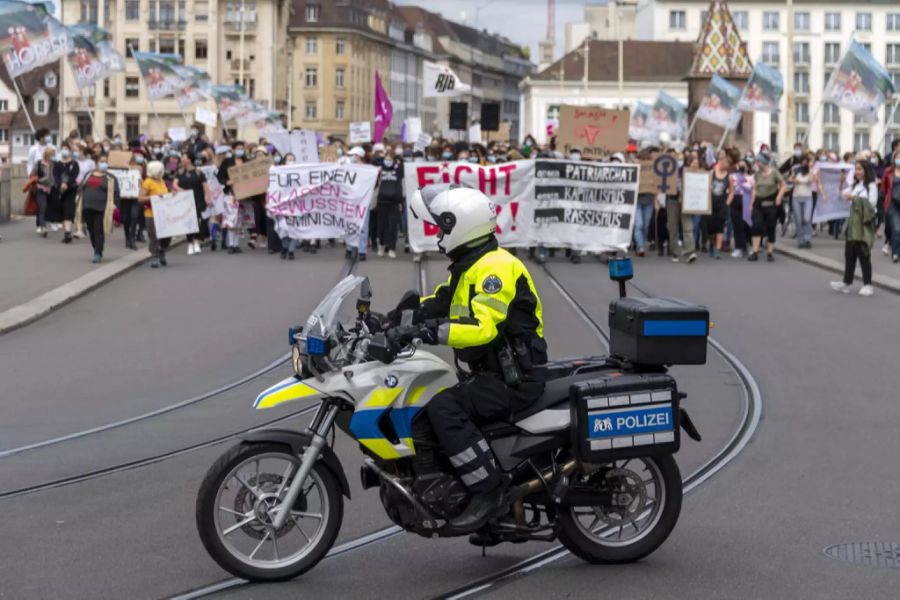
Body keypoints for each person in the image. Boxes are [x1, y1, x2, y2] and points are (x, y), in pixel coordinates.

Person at [388, 184, 547, 535]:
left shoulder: (496, 269)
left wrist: (426, 333)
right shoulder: (471, 265)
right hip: (490, 374)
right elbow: (442, 302)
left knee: (446, 409)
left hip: (513, 379)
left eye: (443, 227)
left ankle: (488, 492)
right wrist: (394, 320)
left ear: (462, 224)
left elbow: (481, 327)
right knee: (425, 413)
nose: (440, 234)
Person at [831, 161, 877, 296]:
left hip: (864, 222)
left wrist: (854, 198)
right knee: (849, 253)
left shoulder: (871, 186)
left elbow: (872, 203)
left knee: (863, 253)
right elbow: (842, 196)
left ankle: (868, 284)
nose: (857, 172)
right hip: (853, 222)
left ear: (866, 170)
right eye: (856, 169)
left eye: (860, 169)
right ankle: (846, 282)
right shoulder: (855, 185)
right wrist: (841, 183)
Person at [75, 157, 119, 263]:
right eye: (101, 162)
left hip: (102, 208)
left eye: (105, 162)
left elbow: (116, 193)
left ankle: (98, 252)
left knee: (98, 230)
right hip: (87, 206)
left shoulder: (111, 177)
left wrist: (115, 207)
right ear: (96, 163)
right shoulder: (88, 175)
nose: (104, 164)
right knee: (91, 230)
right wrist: (77, 200)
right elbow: (81, 188)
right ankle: (97, 248)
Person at [748, 152, 785, 262]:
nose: (756, 163)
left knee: (770, 227)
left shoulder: (774, 173)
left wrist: (779, 197)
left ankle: (770, 252)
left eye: (758, 161)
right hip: (759, 203)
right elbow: (755, 189)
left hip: (771, 204)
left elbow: (783, 186)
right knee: (756, 226)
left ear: (764, 162)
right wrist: (751, 203)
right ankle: (755, 252)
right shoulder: (757, 174)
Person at [174, 153, 209, 256]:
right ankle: (189, 243)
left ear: (189, 160)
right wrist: (182, 190)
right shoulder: (180, 172)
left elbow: (205, 186)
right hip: (185, 200)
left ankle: (197, 242)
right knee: (188, 222)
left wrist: (208, 197)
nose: (181, 159)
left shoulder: (199, 172)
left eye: (183, 157)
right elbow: (175, 184)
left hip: (198, 199)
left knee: (198, 221)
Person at [139, 161, 172, 268]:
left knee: (167, 236)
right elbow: (140, 198)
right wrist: (154, 198)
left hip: (164, 213)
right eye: (160, 170)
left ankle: (161, 250)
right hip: (151, 214)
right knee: (154, 236)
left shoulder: (162, 181)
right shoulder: (148, 182)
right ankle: (155, 256)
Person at [375, 149, 404, 258]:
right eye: (386, 159)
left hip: (394, 202)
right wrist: (381, 161)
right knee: (381, 225)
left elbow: (404, 163)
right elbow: (374, 160)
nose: (387, 161)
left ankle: (392, 248)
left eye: (390, 159)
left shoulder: (398, 170)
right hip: (382, 201)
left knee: (393, 226)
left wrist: (397, 159)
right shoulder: (379, 170)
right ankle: (381, 245)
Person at [707, 152, 734, 259]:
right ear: (721, 161)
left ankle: (717, 249)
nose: (727, 165)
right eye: (726, 162)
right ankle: (711, 244)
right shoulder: (711, 173)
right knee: (710, 228)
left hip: (722, 203)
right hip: (711, 203)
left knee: (720, 227)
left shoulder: (729, 177)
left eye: (728, 164)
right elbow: (706, 186)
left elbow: (732, 191)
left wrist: (727, 203)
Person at [54, 146, 80, 244]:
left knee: (68, 209)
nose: (65, 151)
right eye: (63, 149)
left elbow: (74, 175)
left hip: (71, 190)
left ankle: (67, 232)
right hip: (60, 191)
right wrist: (61, 184)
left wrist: (67, 184)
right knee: (62, 210)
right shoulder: (57, 164)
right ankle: (66, 231)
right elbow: (55, 175)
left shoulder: (74, 164)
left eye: (67, 149)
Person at [31, 146, 56, 238]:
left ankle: (43, 224)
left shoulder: (54, 164)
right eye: (51, 155)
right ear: (47, 155)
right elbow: (32, 175)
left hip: (51, 189)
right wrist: (39, 180)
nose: (52, 157)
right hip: (40, 188)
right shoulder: (39, 164)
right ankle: (43, 227)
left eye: (53, 155)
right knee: (42, 208)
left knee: (47, 209)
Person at [791, 155, 814, 249]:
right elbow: (790, 179)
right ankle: (801, 241)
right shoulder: (796, 170)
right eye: (803, 161)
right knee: (799, 220)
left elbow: (810, 180)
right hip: (796, 197)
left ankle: (807, 238)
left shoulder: (810, 170)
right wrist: (793, 179)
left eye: (806, 161)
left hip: (808, 197)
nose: (804, 163)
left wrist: (809, 170)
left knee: (807, 219)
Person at [882, 150, 900, 263]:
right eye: (898, 157)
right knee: (896, 228)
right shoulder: (888, 171)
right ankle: (895, 253)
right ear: (894, 159)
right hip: (893, 202)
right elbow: (883, 188)